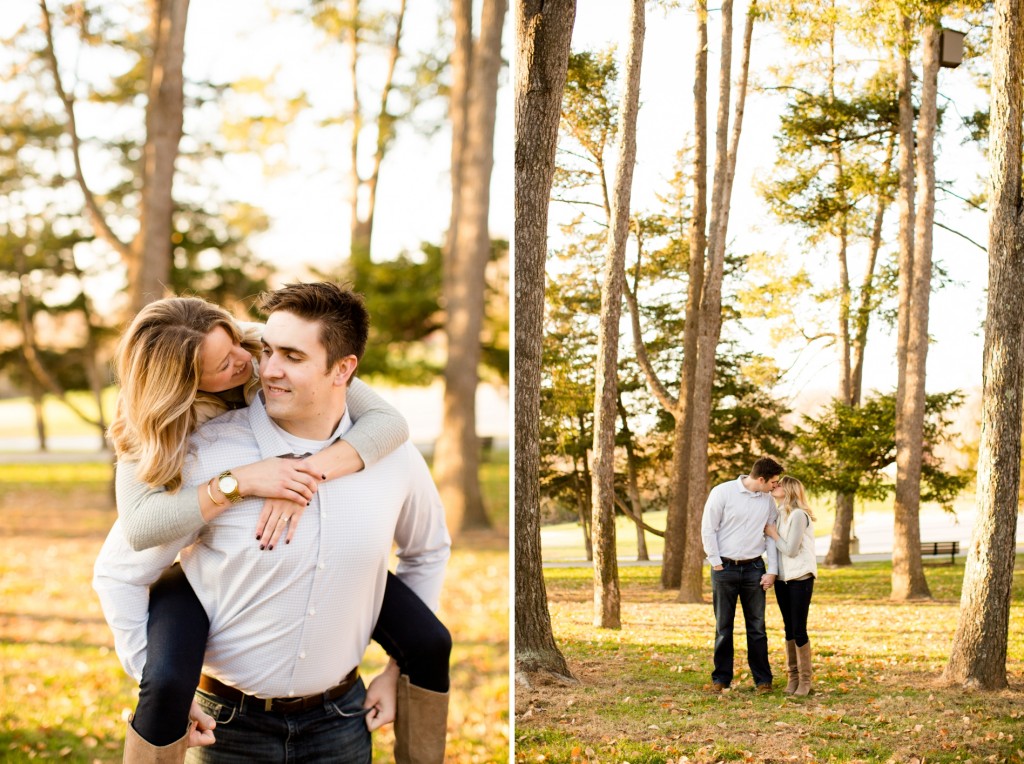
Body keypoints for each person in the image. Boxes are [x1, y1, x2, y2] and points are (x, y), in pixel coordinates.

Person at [94, 285, 451, 763]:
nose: (260, 366)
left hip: (341, 725)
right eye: (265, 353)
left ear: (342, 369)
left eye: (286, 354)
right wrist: (161, 692)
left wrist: (395, 668)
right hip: (228, 733)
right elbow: (125, 561)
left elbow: (426, 549)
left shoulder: (389, 455)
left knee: (432, 643)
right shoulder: (201, 455)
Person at [701, 456, 783, 694]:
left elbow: (770, 535)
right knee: (723, 627)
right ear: (761, 479)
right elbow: (708, 527)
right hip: (724, 568)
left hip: (754, 569)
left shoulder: (767, 501)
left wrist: (773, 571)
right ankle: (721, 679)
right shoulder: (722, 492)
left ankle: (762, 680)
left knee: (757, 627)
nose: (775, 487)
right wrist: (715, 561)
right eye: (773, 482)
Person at [764, 475, 817, 697]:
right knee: (788, 629)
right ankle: (792, 677)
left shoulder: (798, 515)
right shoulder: (781, 514)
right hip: (784, 580)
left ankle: (805, 680)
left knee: (799, 628)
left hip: (800, 579)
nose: (774, 487)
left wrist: (774, 534)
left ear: (789, 490)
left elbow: (791, 550)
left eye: (779, 485)